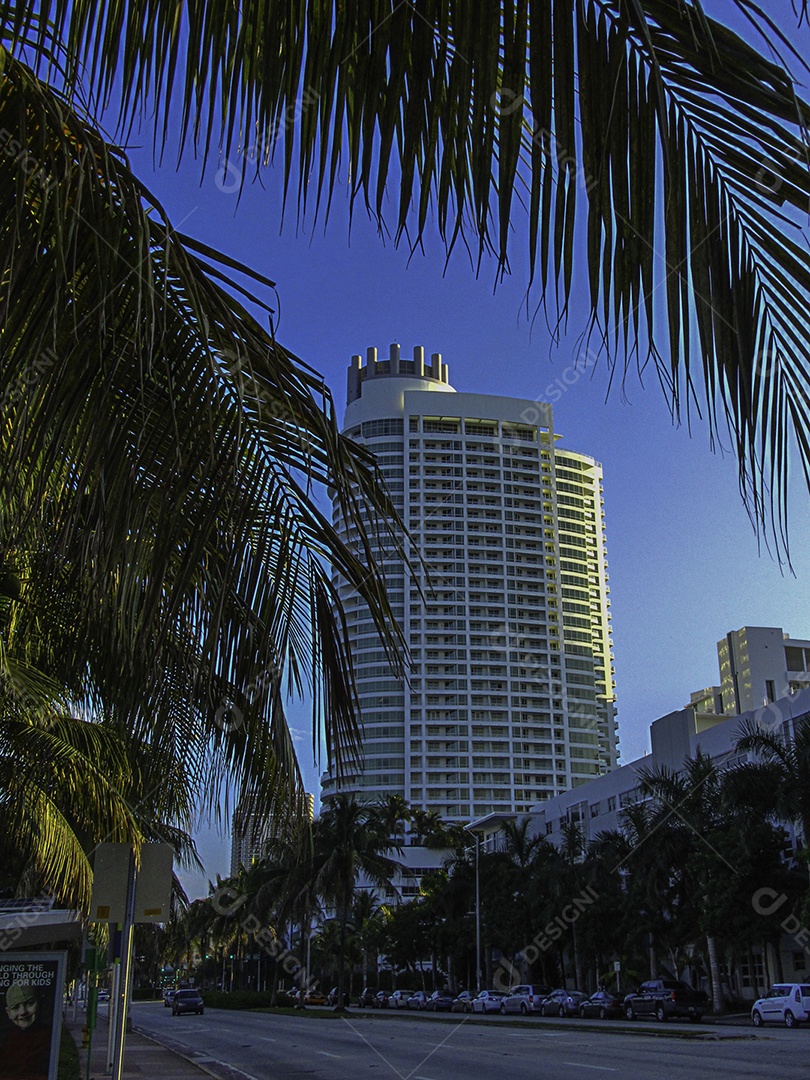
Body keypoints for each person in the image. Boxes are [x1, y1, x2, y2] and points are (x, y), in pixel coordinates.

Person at [0, 982, 52, 1079]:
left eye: (30, 1003)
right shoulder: (8, 1038)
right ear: (8, 1013)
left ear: (40, 1003)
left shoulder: (49, 1037)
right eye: (15, 1007)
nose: (23, 1012)